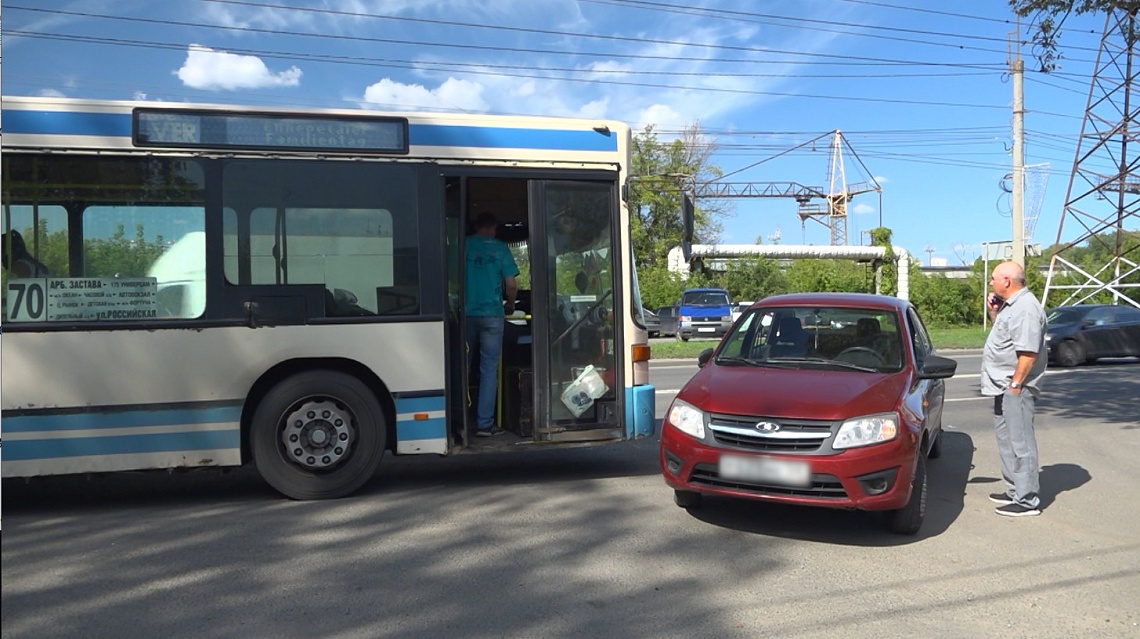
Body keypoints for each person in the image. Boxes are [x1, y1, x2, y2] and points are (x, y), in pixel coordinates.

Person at [981, 260, 1047, 517]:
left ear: (1006, 281)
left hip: (1016, 387)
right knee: (1006, 440)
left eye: (994, 278)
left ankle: (1027, 499)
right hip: (1003, 386)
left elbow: (1028, 353)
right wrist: (994, 312)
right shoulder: (1011, 307)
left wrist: (1016, 385)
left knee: (1021, 443)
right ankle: (1014, 490)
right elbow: (1007, 339)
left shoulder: (1026, 308)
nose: (991, 282)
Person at [465, 212, 519, 437]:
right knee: (488, 370)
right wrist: (510, 305)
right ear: (494, 228)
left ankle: (458, 419)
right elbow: (511, 283)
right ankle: (484, 424)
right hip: (493, 315)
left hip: (466, 314)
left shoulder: (463, 245)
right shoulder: (500, 249)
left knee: (461, 368)